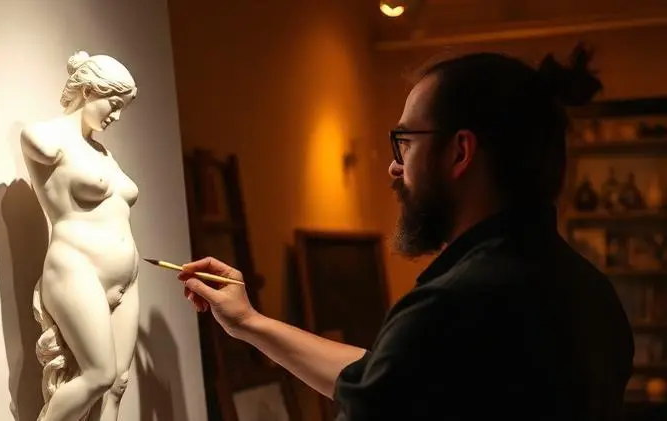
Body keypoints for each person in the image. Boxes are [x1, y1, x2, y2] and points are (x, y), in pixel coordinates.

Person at [179, 51, 634, 420]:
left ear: (460, 152)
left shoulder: (454, 306)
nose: (394, 167)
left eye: (406, 144)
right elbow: (383, 380)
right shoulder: (589, 292)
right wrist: (249, 322)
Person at [22, 51, 141, 421]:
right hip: (76, 268)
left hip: (127, 279)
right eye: (114, 104)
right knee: (98, 375)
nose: (116, 116)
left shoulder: (104, 153)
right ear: (89, 90)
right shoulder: (44, 137)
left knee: (118, 383)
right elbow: (41, 145)